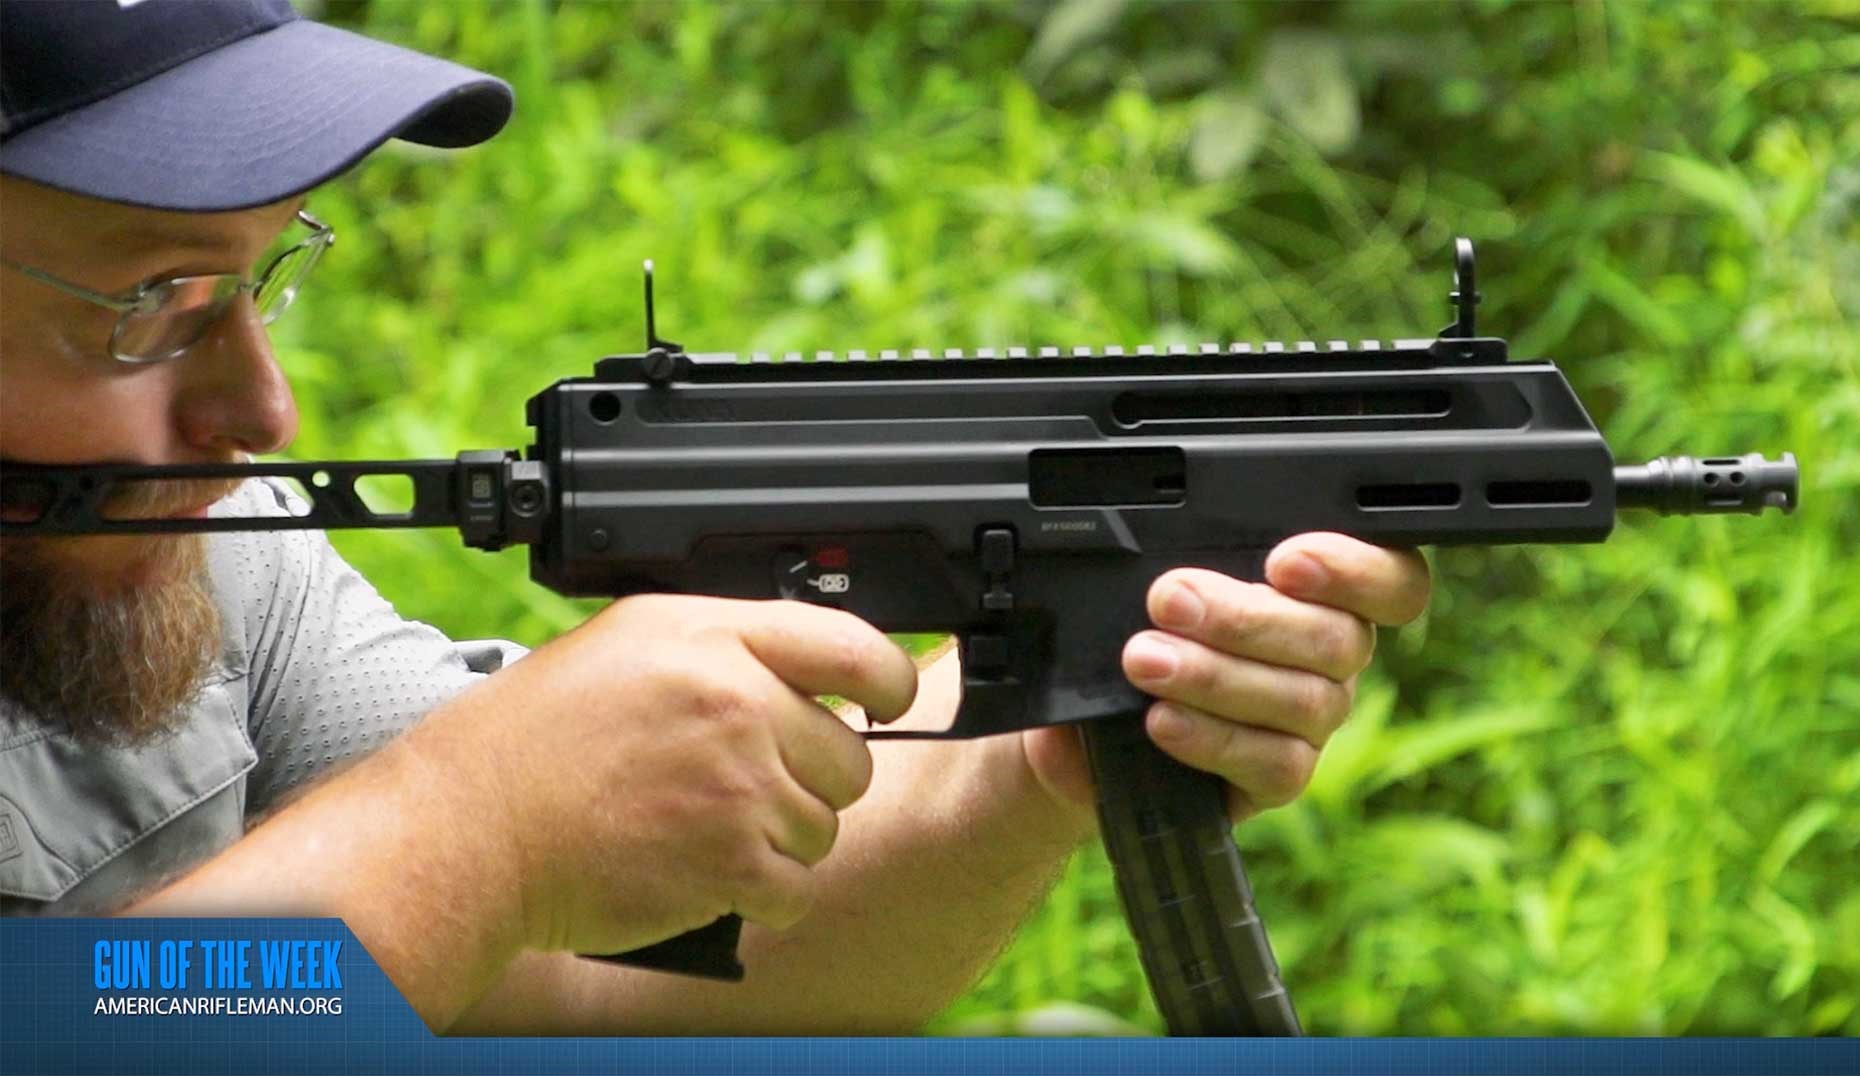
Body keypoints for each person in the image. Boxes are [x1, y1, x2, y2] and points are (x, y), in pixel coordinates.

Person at [0, 0, 1431, 1034]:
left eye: (258, 280)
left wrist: (1043, 744)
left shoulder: (180, 558)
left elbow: (587, 981)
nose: (261, 416)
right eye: (155, 306)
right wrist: (479, 832)